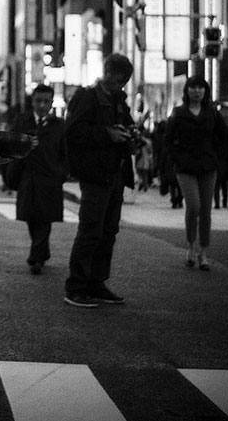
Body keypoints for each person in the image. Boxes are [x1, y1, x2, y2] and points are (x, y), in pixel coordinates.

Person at [63, 53, 136, 308]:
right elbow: (73, 132)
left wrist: (130, 133)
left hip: (115, 172)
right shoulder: (87, 96)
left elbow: (125, 125)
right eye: (118, 80)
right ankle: (76, 286)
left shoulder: (119, 101)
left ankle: (97, 282)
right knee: (90, 230)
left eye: (125, 81)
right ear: (106, 73)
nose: (121, 85)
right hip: (94, 173)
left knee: (109, 230)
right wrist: (107, 134)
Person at [164, 75, 228, 271]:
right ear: (187, 90)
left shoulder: (212, 113)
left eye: (201, 87)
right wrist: (176, 157)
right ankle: (191, 246)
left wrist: (217, 157)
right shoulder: (178, 113)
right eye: (193, 87)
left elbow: (225, 138)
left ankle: (203, 251)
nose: (197, 91)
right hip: (185, 167)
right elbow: (167, 141)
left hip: (207, 166)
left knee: (206, 211)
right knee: (193, 206)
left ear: (205, 91)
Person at [9, 83, 67, 275]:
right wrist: (25, 145)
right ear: (32, 102)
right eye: (38, 101)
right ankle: (42, 251)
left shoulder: (59, 126)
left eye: (46, 102)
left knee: (44, 219)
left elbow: (65, 153)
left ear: (51, 103)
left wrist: (61, 173)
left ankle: (36, 258)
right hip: (28, 178)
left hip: (50, 179)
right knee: (30, 218)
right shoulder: (22, 122)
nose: (42, 106)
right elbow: (10, 146)